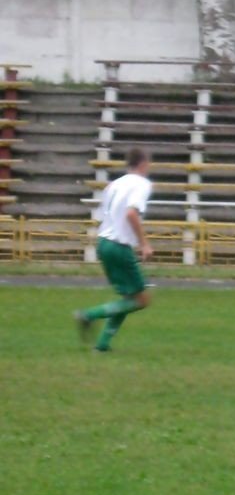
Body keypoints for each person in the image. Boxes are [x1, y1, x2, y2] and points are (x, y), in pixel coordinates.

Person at [74, 147, 155, 352]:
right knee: (142, 300)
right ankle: (88, 315)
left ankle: (102, 345)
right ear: (144, 163)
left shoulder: (114, 185)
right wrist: (144, 243)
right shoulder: (142, 184)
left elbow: (106, 216)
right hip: (118, 246)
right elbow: (131, 214)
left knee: (129, 298)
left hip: (103, 242)